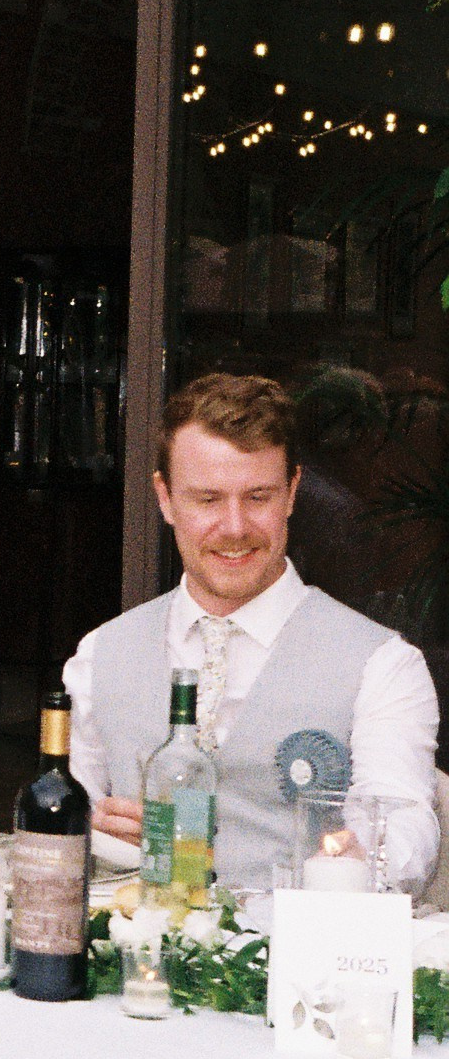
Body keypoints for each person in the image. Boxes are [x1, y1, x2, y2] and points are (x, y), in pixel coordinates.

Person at [65, 369, 440, 894]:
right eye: (208, 499)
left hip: (300, 964)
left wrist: (349, 864)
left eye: (258, 496)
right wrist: (92, 837)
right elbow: (61, 835)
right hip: (139, 961)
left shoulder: (383, 665)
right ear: (166, 499)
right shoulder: (99, 654)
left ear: (292, 493)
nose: (236, 527)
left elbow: (405, 839)